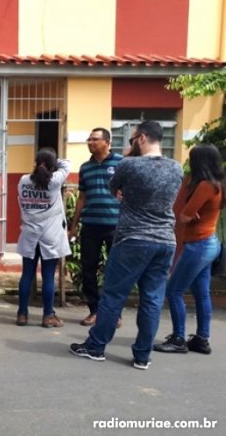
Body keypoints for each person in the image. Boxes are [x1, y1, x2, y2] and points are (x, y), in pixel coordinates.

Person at [70, 121, 183, 370]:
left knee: (113, 295)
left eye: (132, 139)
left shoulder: (128, 164)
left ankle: (96, 346)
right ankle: (143, 356)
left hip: (133, 239)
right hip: (165, 240)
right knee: (152, 300)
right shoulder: (176, 168)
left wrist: (130, 158)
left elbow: (114, 189)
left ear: (141, 138)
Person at [154, 144, 225, 355]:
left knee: (174, 291)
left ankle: (178, 338)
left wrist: (187, 213)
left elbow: (183, 215)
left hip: (198, 245)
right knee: (201, 293)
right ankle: (201, 339)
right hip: (208, 243)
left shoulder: (205, 186)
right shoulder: (216, 184)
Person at [68, 128, 123, 326]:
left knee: (115, 270)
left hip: (115, 225)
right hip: (90, 225)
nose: (90, 142)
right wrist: (74, 226)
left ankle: (114, 313)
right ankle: (95, 311)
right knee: (88, 269)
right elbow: (82, 197)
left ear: (107, 142)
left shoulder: (121, 163)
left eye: (95, 139)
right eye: (88, 139)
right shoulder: (85, 167)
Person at [16, 147, 71, 328]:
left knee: (27, 275)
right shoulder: (54, 180)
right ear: (52, 165)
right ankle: (48, 316)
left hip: (30, 233)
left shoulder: (23, 180)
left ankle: (22, 314)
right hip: (50, 236)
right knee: (48, 276)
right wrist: (55, 162)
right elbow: (67, 164)